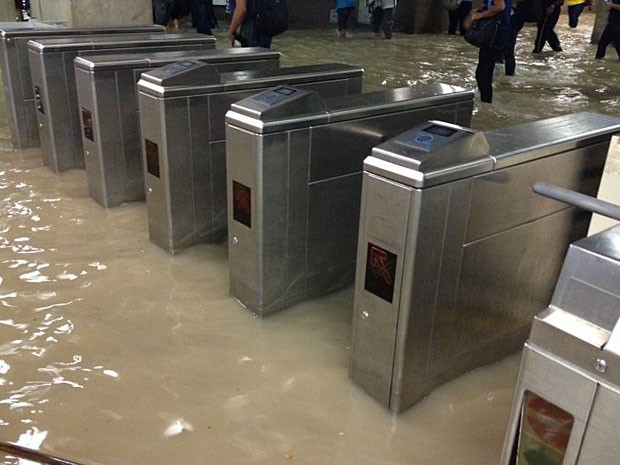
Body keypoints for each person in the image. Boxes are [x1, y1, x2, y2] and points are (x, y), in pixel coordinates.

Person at [471, 0, 511, 103]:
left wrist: (480, 15)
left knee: (483, 74)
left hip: (495, 35)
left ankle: (486, 102)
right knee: (483, 73)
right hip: (497, 34)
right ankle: (486, 101)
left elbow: (500, 7)